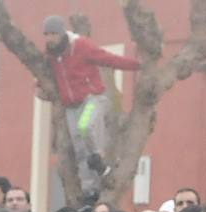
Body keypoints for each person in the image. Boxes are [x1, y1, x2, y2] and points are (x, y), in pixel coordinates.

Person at [41, 15, 139, 200]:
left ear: (62, 33)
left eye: (53, 33)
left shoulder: (81, 46)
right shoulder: (52, 55)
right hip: (71, 105)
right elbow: (46, 76)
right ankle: (90, 189)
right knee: (79, 149)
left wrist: (136, 66)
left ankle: (98, 157)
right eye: (46, 34)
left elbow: (108, 58)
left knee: (85, 127)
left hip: (92, 97)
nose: (49, 38)